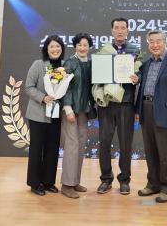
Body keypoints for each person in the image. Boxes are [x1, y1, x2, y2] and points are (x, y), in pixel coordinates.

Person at [135, 30, 167, 203]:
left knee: (165, 153)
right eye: (152, 42)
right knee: (150, 151)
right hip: (146, 109)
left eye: (158, 41)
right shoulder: (146, 64)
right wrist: (138, 111)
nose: (155, 45)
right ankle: (153, 184)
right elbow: (141, 88)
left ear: (165, 42)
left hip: (165, 113)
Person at [97, 18, 140, 195]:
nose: (120, 31)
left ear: (128, 31)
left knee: (125, 144)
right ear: (112, 31)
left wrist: (137, 78)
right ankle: (106, 179)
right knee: (104, 142)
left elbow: (140, 73)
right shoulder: (104, 51)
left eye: (123, 28)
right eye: (117, 28)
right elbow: (98, 75)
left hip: (126, 103)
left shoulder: (135, 50)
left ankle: (124, 180)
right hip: (107, 103)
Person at [24, 35, 66, 196]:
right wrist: (43, 98)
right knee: (37, 149)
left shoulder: (64, 66)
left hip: (55, 115)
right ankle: (35, 183)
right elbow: (28, 87)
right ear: (46, 49)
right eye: (52, 47)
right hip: (38, 114)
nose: (55, 49)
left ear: (62, 49)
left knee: (52, 149)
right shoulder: (38, 64)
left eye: (58, 46)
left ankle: (48, 182)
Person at [60, 33, 94, 199]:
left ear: (89, 47)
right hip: (71, 111)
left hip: (84, 111)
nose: (82, 48)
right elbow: (64, 87)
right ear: (75, 46)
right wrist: (68, 109)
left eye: (85, 45)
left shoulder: (91, 63)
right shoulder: (69, 62)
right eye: (79, 45)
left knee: (80, 146)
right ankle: (66, 185)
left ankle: (75, 181)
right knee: (72, 146)